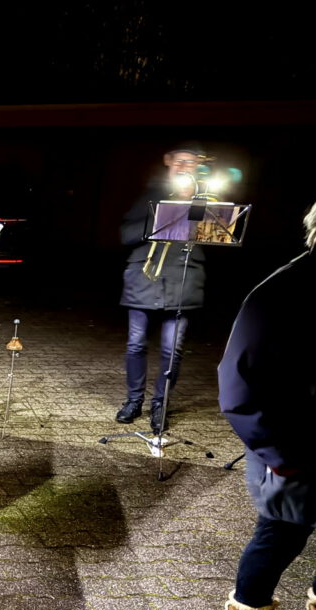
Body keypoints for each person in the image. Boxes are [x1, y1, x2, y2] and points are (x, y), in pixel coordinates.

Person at [217, 187, 316, 610]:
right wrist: (279, 455)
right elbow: (238, 382)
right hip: (293, 448)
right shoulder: (282, 291)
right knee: (281, 534)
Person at [116, 147, 206, 433]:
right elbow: (126, 235)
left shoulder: (205, 200)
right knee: (136, 343)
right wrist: (160, 220)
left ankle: (160, 404)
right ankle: (133, 401)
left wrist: (193, 208)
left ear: (198, 167)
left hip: (182, 280)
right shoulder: (150, 196)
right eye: (178, 161)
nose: (183, 166)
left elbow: (217, 239)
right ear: (167, 164)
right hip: (144, 277)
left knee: (172, 350)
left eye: (190, 162)